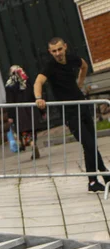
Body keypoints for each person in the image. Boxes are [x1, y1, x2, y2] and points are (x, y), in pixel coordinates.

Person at [34, 37, 109, 193]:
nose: (57, 53)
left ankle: (94, 181)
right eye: (54, 51)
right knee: (88, 144)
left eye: (60, 49)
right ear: (50, 52)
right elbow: (38, 82)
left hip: (82, 106)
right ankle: (104, 175)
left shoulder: (72, 58)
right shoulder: (50, 66)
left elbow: (84, 65)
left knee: (91, 144)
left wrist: (79, 83)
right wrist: (38, 98)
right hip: (69, 112)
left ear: (65, 47)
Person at [5, 65, 42, 159]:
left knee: (24, 132)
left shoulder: (10, 85)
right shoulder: (27, 81)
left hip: (20, 112)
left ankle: (32, 144)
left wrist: (10, 116)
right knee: (32, 130)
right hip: (31, 108)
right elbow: (34, 95)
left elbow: (10, 101)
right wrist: (41, 110)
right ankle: (34, 145)